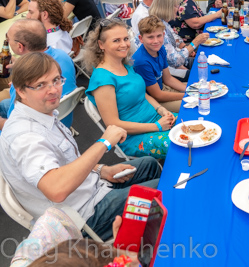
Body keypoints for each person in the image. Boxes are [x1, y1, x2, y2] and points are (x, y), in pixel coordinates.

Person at [0, 52, 160, 241]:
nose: (53, 90)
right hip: (84, 218)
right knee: (165, 190)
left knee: (149, 164)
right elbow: (56, 189)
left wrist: (102, 170)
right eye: (41, 85)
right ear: (20, 90)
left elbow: (66, 162)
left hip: (93, 190)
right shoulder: (25, 136)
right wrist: (105, 142)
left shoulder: (41, 113)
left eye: (56, 80)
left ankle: (151, 230)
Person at [84, 19, 176, 159]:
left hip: (155, 120)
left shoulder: (125, 65)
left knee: (194, 122)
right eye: (116, 40)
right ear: (101, 44)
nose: (124, 44)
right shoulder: (102, 79)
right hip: (134, 137)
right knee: (184, 143)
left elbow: (142, 95)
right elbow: (113, 124)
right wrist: (157, 126)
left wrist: (160, 109)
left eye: (126, 39)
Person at [0, 19, 76, 129]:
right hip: (64, 119)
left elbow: (14, 125)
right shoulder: (62, 55)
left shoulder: (22, 83)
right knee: (3, 104)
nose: (7, 41)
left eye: (8, 39)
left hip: (36, 129)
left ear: (20, 46)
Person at [133, 16, 187, 113]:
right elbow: (157, 95)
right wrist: (187, 95)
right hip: (154, 102)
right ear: (141, 38)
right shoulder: (141, 62)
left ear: (163, 35)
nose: (156, 41)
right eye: (150, 37)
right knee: (195, 104)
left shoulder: (160, 49)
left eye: (159, 36)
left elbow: (168, 79)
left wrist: (189, 90)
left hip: (163, 88)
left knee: (197, 87)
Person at [148, 0, 209, 83]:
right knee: (203, 73)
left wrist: (185, 48)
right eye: (176, 6)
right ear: (167, 8)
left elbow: (175, 38)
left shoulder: (162, 22)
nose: (177, 10)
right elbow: (174, 61)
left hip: (176, 62)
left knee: (207, 63)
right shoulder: (156, 29)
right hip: (169, 70)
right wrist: (194, 44)